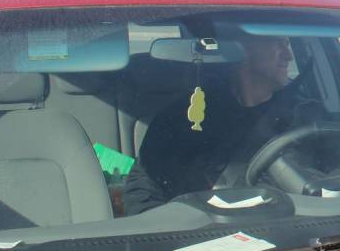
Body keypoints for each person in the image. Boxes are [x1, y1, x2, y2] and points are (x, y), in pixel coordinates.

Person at [122, 34, 316, 215]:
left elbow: (329, 181)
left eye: (287, 44)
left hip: (298, 230)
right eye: (277, 43)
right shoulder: (185, 119)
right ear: (242, 49)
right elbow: (144, 190)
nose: (289, 56)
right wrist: (168, 232)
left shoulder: (307, 116)